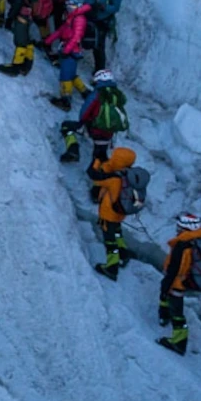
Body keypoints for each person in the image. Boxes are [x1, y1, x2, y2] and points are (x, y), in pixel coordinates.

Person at [155, 213, 201, 354]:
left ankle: (179, 342)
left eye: (179, 227)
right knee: (172, 304)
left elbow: (174, 269)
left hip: (178, 282)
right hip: (186, 278)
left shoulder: (182, 245)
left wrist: (165, 286)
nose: (177, 229)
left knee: (177, 312)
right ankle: (164, 316)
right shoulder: (197, 239)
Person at [85, 146, 135, 280]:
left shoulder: (114, 180)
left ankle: (112, 267)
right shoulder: (129, 175)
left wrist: (96, 160)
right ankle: (123, 254)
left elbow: (93, 175)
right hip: (120, 212)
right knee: (117, 232)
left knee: (110, 239)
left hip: (108, 214)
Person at [63, 67, 125, 163]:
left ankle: (73, 150)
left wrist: (83, 124)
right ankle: (106, 173)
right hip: (109, 134)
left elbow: (84, 113)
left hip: (94, 130)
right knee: (100, 159)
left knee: (66, 126)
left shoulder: (96, 94)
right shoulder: (117, 95)